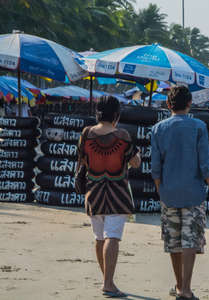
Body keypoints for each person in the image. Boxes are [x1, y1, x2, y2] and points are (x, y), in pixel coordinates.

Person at [151, 86, 209, 300]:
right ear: (190, 103)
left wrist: (160, 191)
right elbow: (205, 163)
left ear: (168, 104)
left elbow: (155, 167)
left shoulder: (158, 129)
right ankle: (186, 289)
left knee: (173, 241)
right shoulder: (198, 126)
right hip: (193, 193)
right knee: (190, 240)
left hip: (168, 192)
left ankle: (180, 285)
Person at [77, 95, 141, 298]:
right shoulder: (122, 135)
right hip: (117, 194)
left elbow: (82, 160)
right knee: (112, 237)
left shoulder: (86, 133)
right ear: (116, 115)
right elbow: (135, 163)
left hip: (93, 192)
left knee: (99, 238)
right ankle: (108, 284)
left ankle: (108, 279)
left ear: (98, 113)